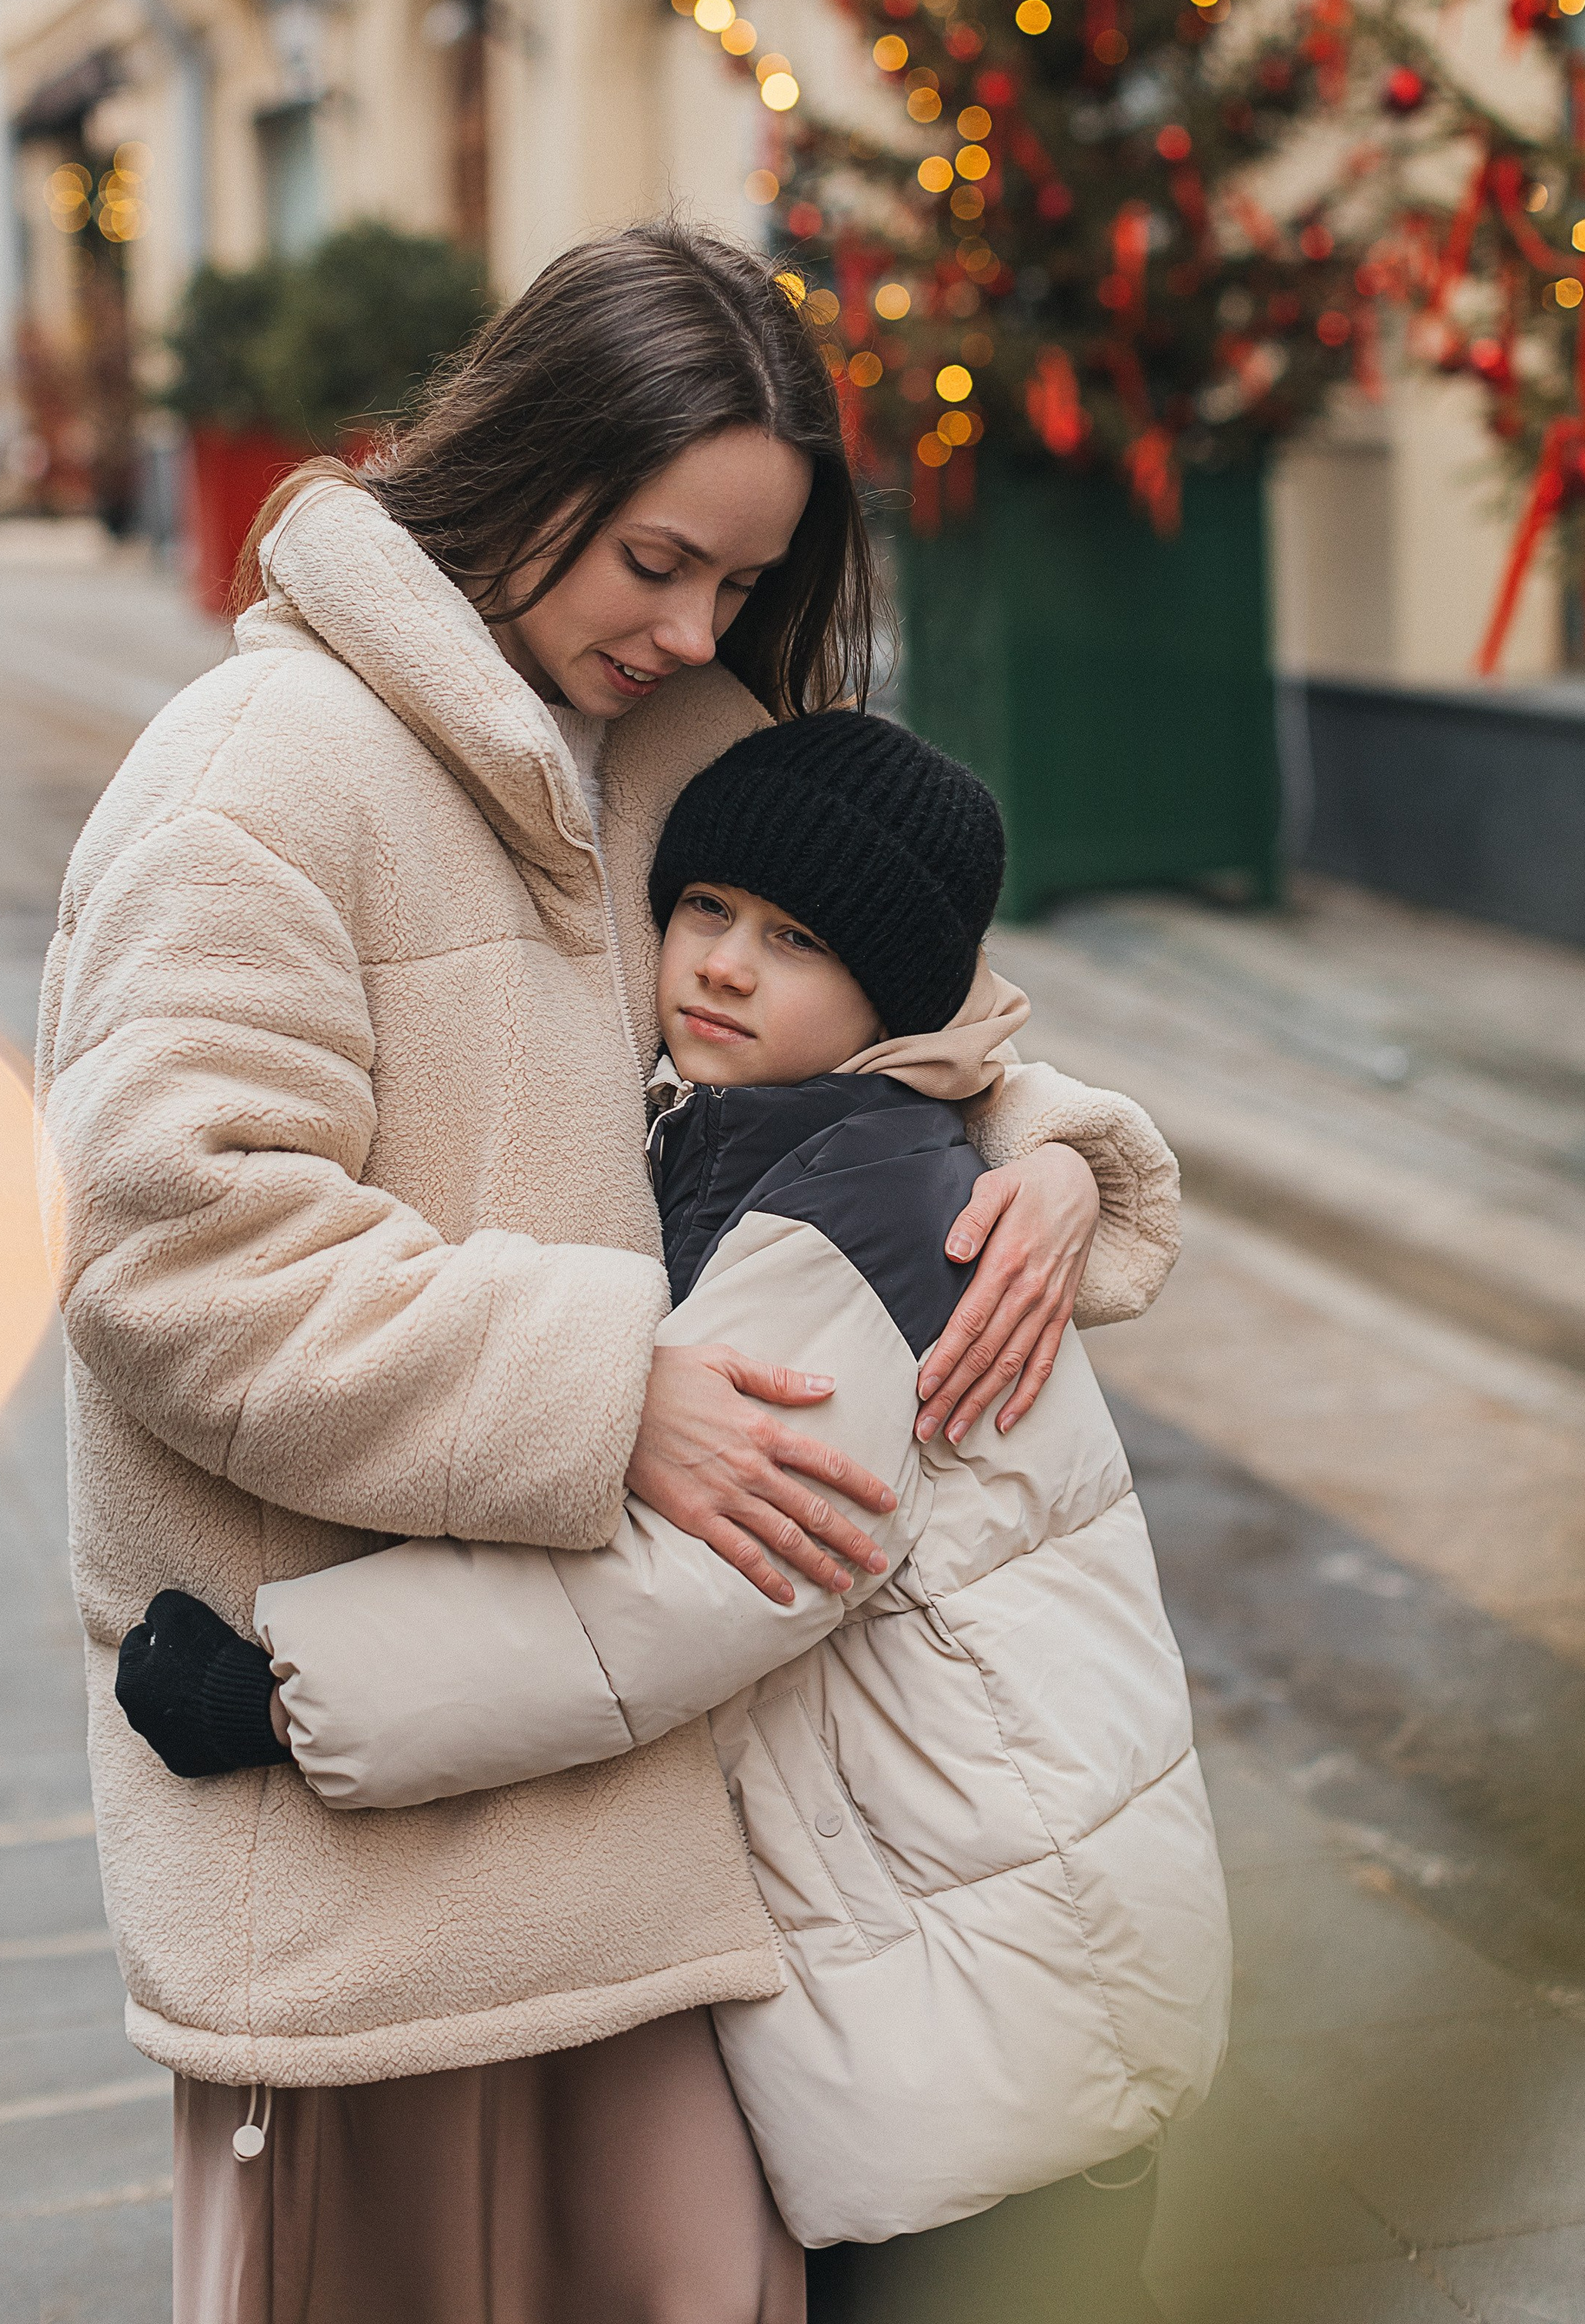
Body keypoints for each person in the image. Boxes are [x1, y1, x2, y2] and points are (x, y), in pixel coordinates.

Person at [35, 221, 1182, 2324]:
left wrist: (1045, 1153)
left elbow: (887, 1003)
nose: (690, 629)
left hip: (656, 1845)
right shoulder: (253, 773)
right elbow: (174, 1251)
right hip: (377, 1875)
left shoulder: (663, 735)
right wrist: (605, 1385)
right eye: (658, 561)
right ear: (528, 464)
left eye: (739, 584)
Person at [118, 713, 1230, 2320]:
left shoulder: (856, 1207)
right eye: (704, 906)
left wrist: (279, 1692)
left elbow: (693, 1582)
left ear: (892, 1000)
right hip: (985, 1922)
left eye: (794, 941)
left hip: (994, 1966)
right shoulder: (782, 1136)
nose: (721, 963)